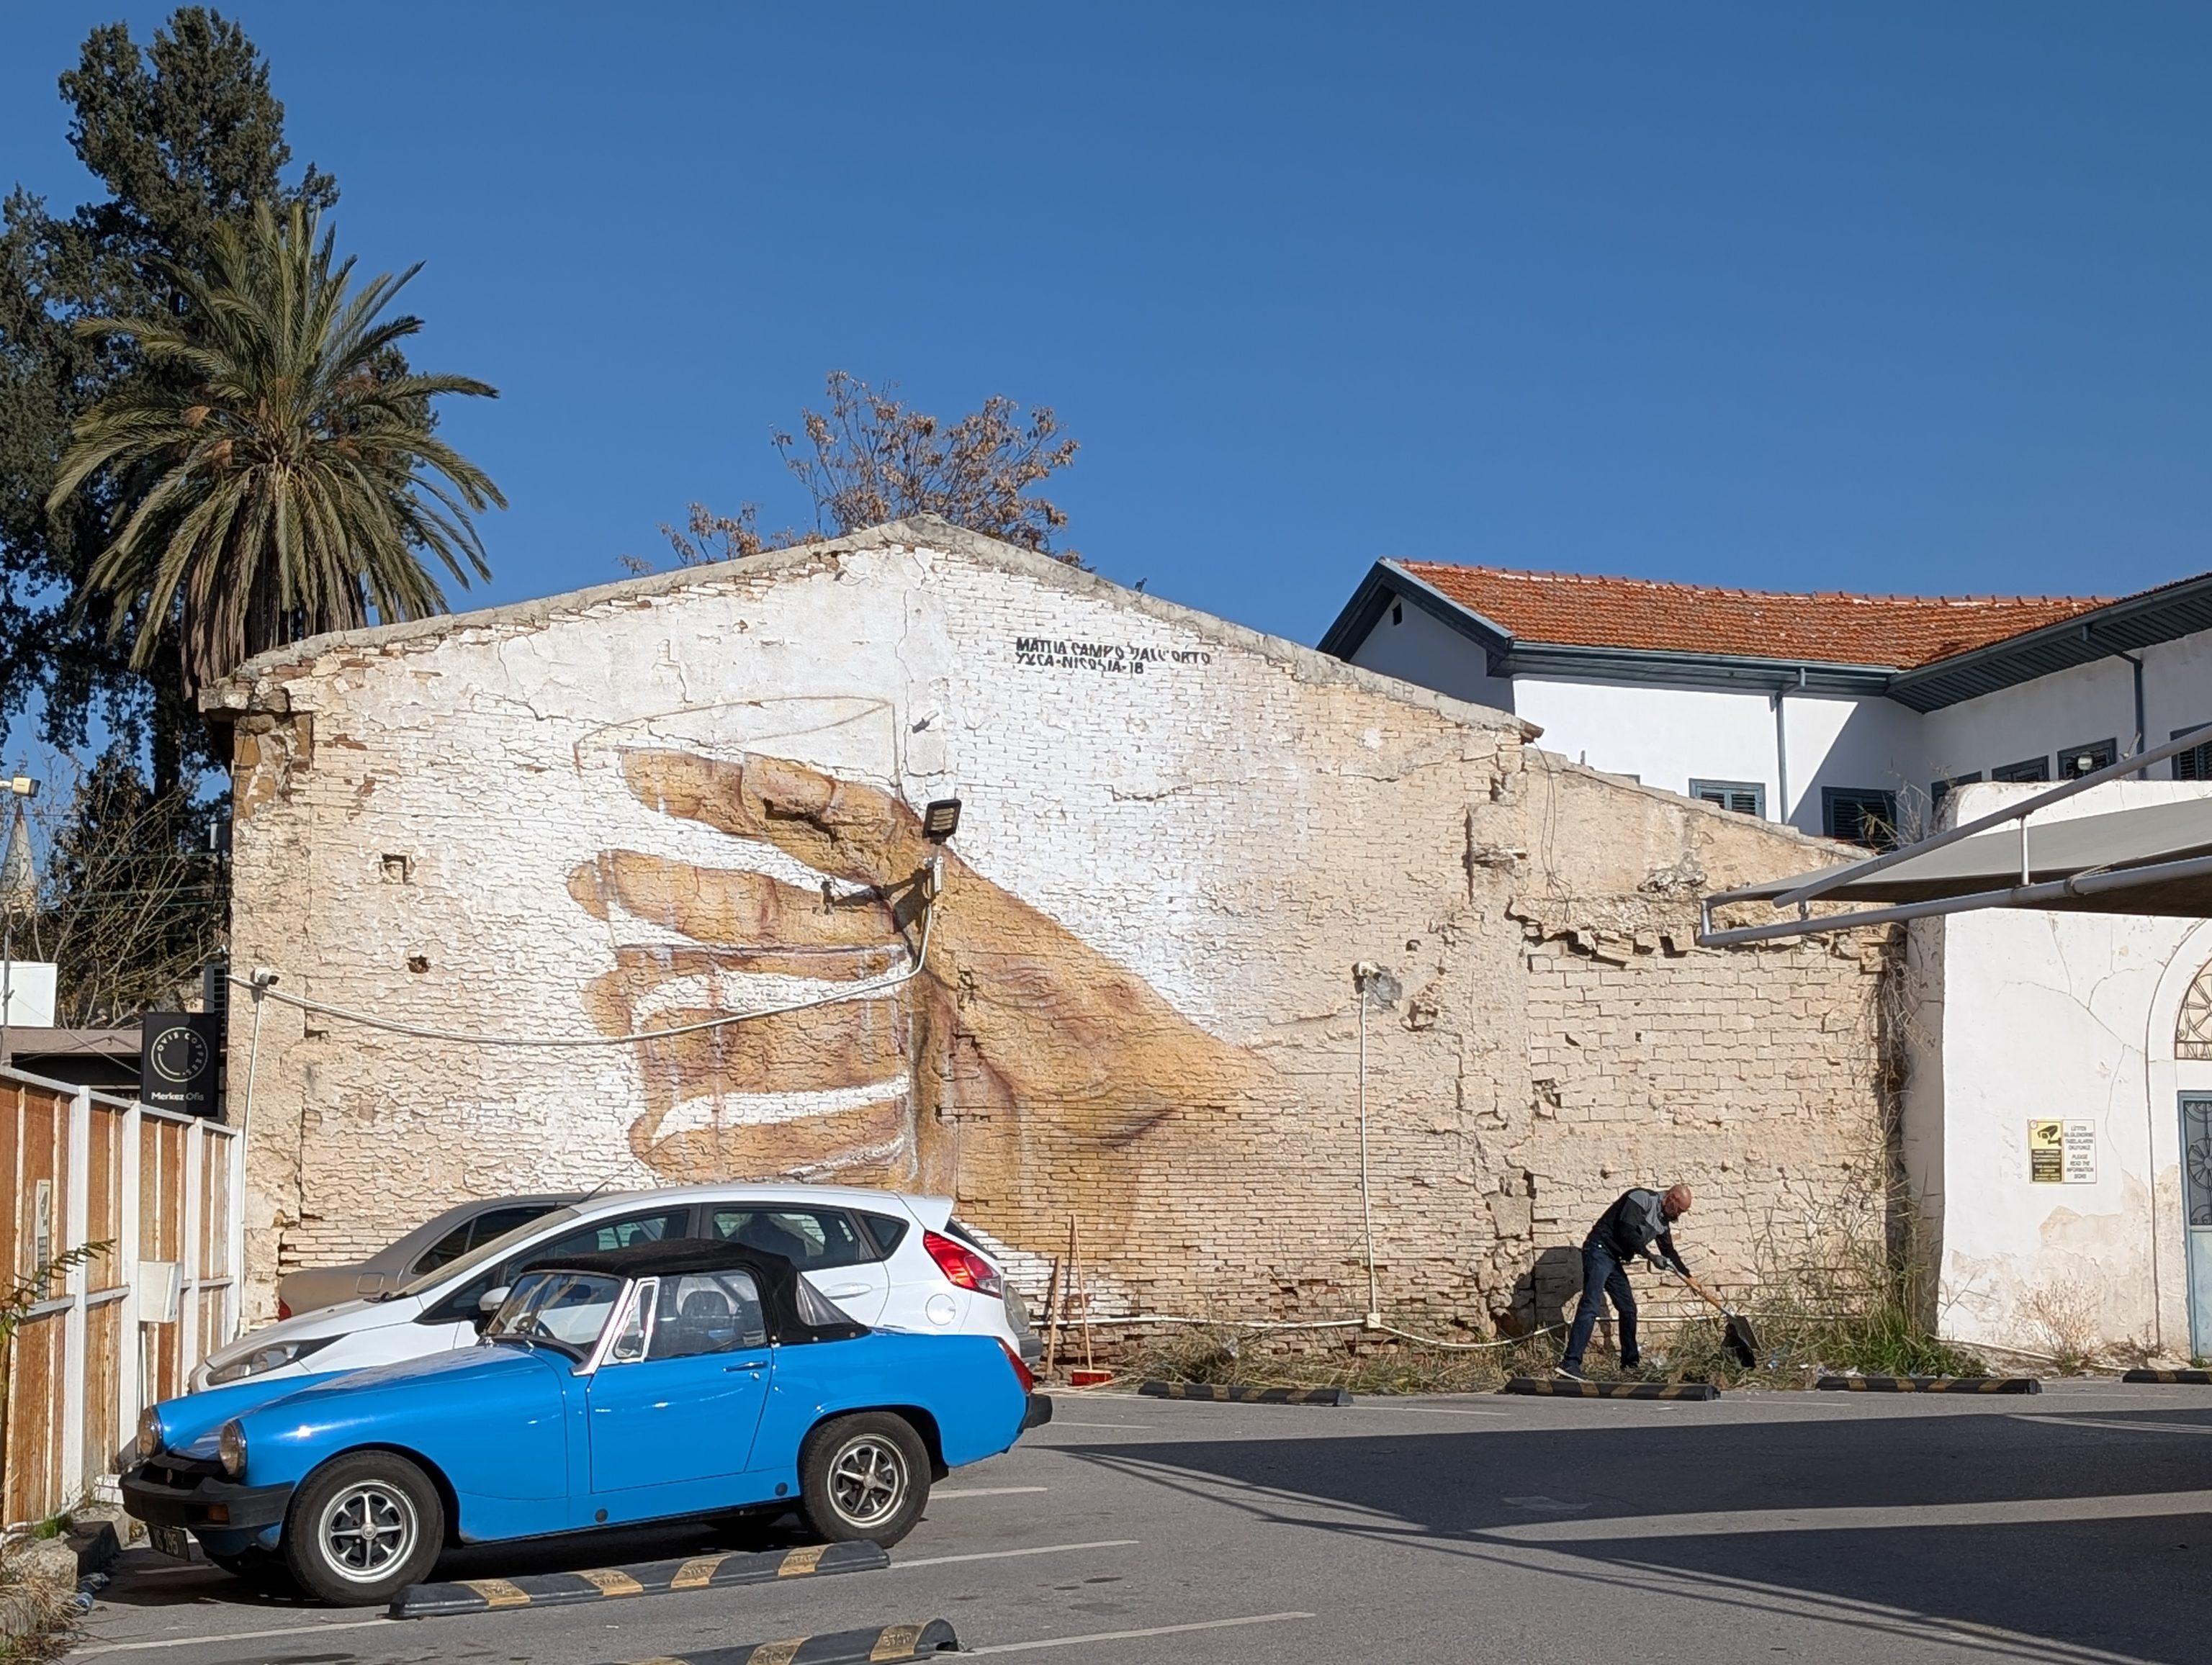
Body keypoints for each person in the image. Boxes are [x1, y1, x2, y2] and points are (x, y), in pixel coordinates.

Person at [1556, 1184, 1692, 1381]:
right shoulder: (1641, 1198)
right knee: (1591, 1305)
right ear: (1671, 1198)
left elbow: (1669, 1251)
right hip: (1599, 1249)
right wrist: (1649, 1256)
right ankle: (1570, 1363)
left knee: (1628, 1309)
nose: (1679, 1215)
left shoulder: (1662, 1221)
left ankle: (1630, 1366)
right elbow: (1625, 1230)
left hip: (1613, 1259)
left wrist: (1690, 1278)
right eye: (1679, 1209)